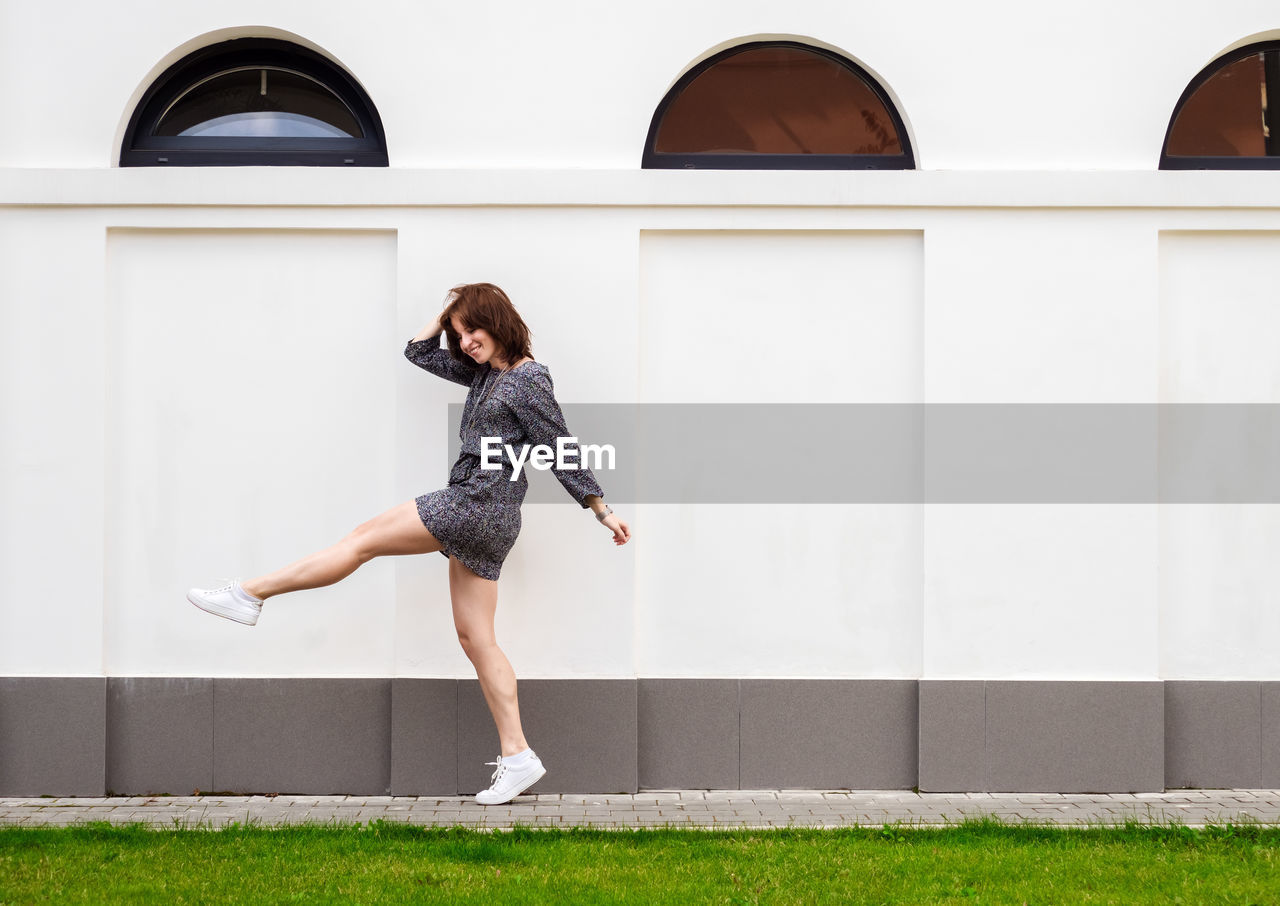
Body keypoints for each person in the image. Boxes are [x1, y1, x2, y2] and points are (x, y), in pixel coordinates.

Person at [186, 282, 631, 805]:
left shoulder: (527, 379)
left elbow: (561, 446)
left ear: (499, 320)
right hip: (492, 515)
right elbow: (418, 352)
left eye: (474, 328)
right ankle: (518, 757)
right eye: (460, 333)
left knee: (361, 541)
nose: (465, 342)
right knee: (476, 639)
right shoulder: (487, 374)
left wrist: (599, 507)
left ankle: (251, 593)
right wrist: (450, 313)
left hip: (475, 505)